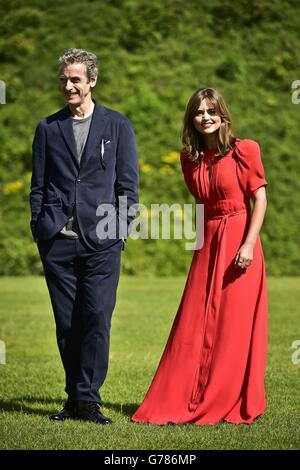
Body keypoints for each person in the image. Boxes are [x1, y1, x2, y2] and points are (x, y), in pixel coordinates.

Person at [132, 87, 268, 425]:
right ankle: (186, 393)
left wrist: (248, 245)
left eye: (211, 111)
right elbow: (203, 204)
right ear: (191, 118)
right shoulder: (189, 158)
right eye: (198, 112)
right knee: (194, 323)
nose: (205, 117)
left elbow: (259, 200)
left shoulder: (245, 150)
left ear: (222, 114)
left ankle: (227, 396)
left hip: (239, 237)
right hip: (206, 242)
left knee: (233, 325)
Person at [30, 48, 139, 424]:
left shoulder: (118, 125)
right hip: (57, 241)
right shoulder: (47, 128)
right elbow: (38, 185)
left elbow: (128, 186)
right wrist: (39, 227)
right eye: (63, 79)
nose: (68, 85)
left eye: (75, 79)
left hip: (102, 242)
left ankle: (88, 400)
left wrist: (119, 230)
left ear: (92, 81)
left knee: (96, 317)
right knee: (67, 323)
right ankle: (74, 398)